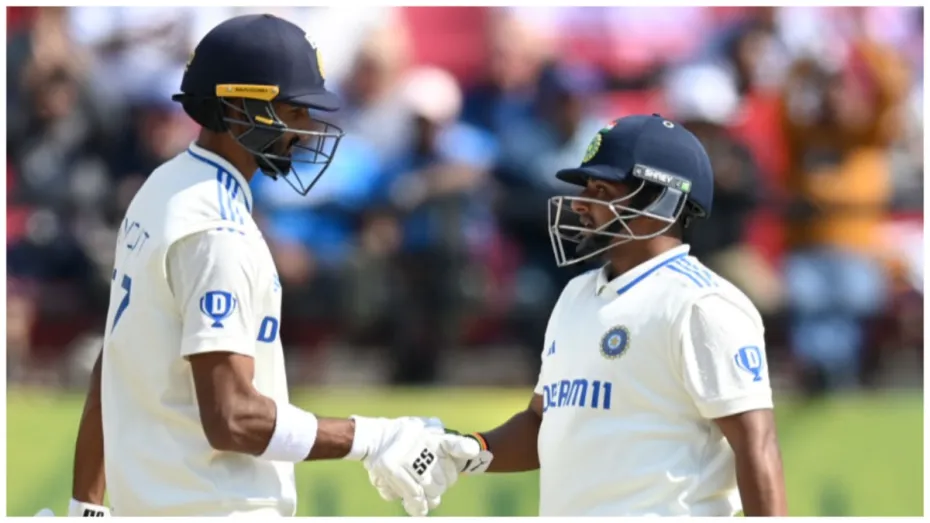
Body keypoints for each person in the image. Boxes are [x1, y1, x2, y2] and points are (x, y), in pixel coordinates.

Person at [57, 14, 476, 517]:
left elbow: (115, 361)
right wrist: (370, 438)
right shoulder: (216, 229)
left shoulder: (163, 187)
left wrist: (85, 508)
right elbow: (233, 418)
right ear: (239, 107)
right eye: (294, 111)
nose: (308, 129)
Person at [389, 114, 789, 516]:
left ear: (662, 200)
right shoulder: (576, 294)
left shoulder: (701, 305)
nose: (580, 202)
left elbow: (756, 444)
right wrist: (466, 450)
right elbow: (542, 422)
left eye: (601, 190)